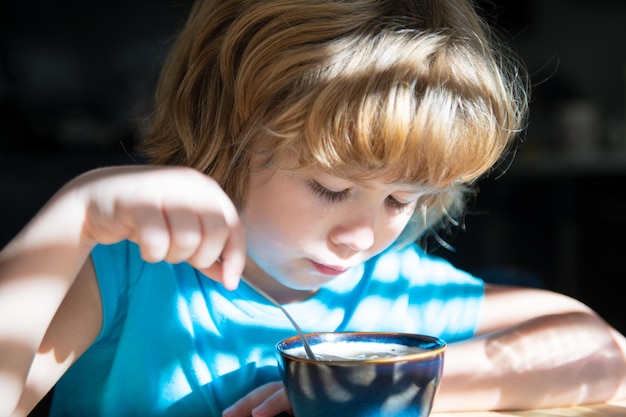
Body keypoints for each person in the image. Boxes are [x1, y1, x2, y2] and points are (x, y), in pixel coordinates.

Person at [1, 0, 626, 416]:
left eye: (401, 199)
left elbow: (603, 356)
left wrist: (382, 388)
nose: (361, 235)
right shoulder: (128, 276)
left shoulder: (397, 297)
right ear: (227, 133)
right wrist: (74, 219)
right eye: (330, 188)